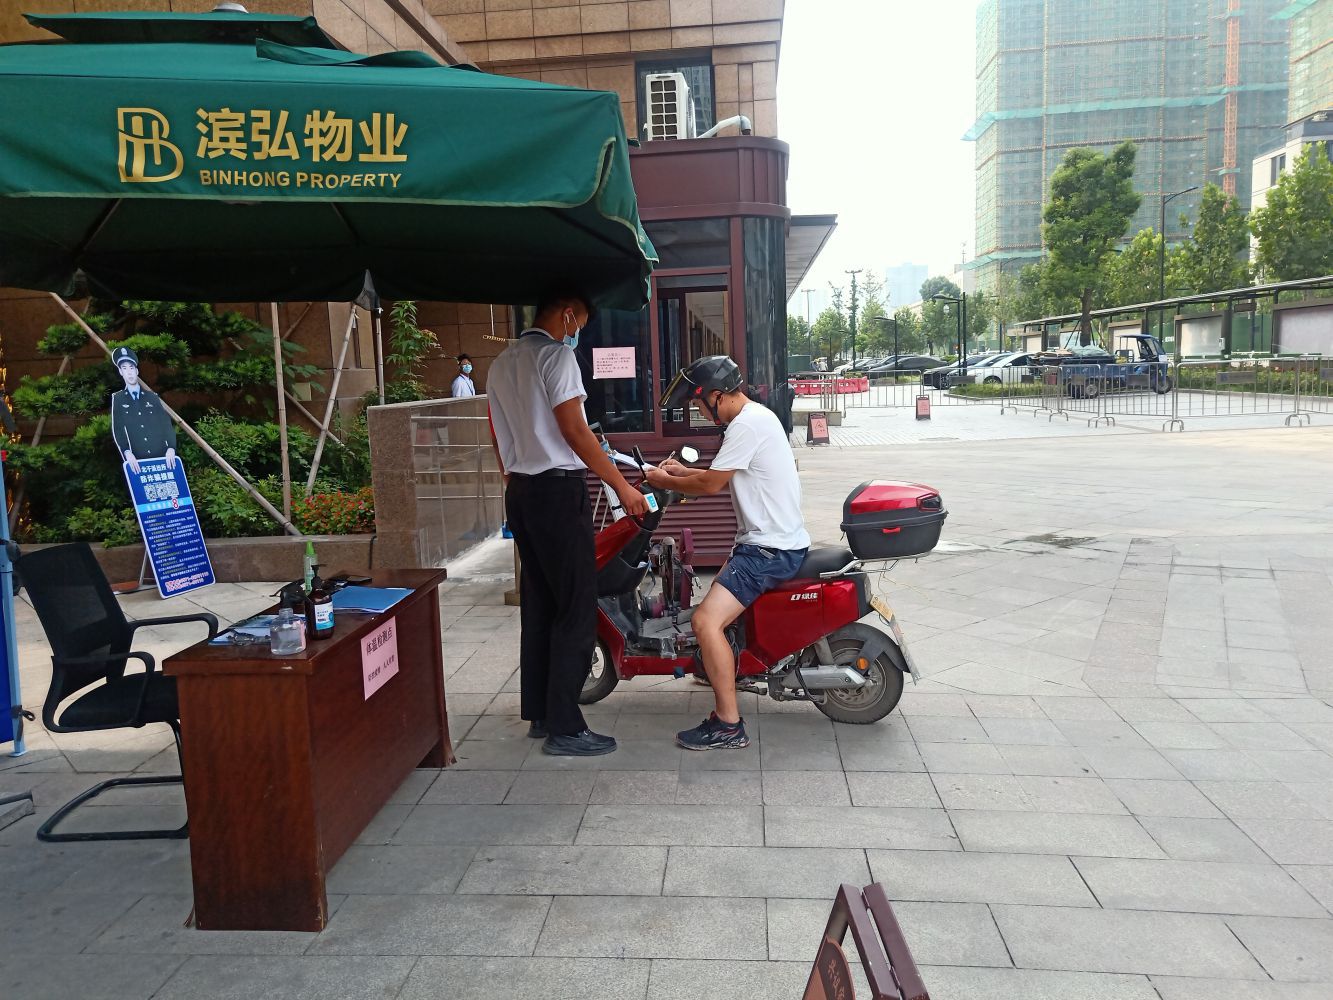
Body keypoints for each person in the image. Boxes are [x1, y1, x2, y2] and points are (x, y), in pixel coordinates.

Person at [487, 293, 650, 756]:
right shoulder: (556, 356)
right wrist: (622, 487)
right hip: (558, 492)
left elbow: (496, 431)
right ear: (567, 315)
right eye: (580, 321)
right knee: (576, 607)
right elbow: (575, 430)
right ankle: (565, 726)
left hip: (522, 491)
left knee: (540, 602)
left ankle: (541, 712)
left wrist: (513, 477)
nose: (578, 331)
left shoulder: (502, 362)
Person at [645, 356, 810, 751]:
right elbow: (718, 475)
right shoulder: (756, 418)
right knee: (714, 605)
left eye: (700, 405)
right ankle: (725, 672)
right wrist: (680, 473)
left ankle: (728, 725)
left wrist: (662, 479)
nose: (701, 414)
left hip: (766, 549)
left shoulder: (745, 425)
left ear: (716, 396)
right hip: (769, 543)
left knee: (705, 622)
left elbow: (711, 486)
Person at [109, 346, 177, 474]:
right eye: (124, 368)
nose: (129, 372)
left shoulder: (152, 397)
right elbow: (118, 429)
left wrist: (171, 448)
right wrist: (127, 452)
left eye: (131, 368)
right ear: (120, 372)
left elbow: (166, 424)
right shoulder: (118, 399)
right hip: (138, 461)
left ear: (137, 371)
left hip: (162, 458)